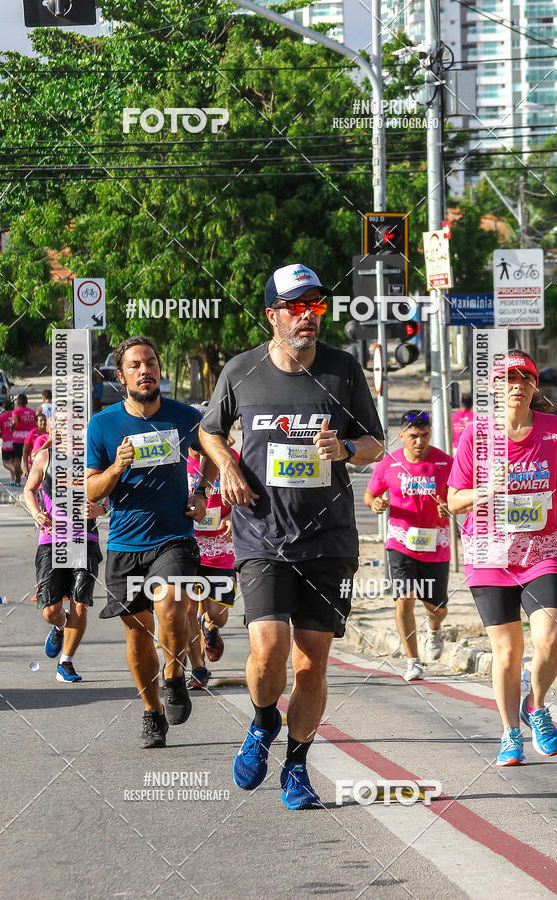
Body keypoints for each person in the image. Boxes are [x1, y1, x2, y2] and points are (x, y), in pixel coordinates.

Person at [199, 263, 385, 809]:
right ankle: (261, 723)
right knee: (269, 647)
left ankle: (297, 766)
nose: (308, 316)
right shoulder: (241, 370)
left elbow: (377, 441)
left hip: (328, 538)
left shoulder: (343, 370)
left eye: (316, 306)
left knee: (310, 662)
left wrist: (347, 451)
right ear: (272, 315)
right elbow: (210, 429)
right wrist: (227, 466)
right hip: (261, 534)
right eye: (296, 307)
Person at [448, 350, 557, 766]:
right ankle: (509, 733)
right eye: (508, 378)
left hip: (545, 550)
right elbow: (453, 500)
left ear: (534, 385)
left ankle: (536, 706)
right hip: (490, 554)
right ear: (494, 387)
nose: (516, 385)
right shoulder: (475, 434)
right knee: (507, 651)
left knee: (552, 637)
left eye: (524, 377)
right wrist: (485, 491)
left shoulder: (556, 430)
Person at [86, 336, 218, 749]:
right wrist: (117, 467)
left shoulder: (183, 416)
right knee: (138, 634)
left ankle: (174, 677)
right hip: (126, 544)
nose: (145, 370)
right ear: (122, 376)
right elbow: (92, 490)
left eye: (151, 362)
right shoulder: (103, 424)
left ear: (159, 369)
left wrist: (201, 492)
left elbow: (213, 451)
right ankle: (151, 712)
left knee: (174, 603)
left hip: (174, 536)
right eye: (135, 366)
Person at [363, 410, 453, 681]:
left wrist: (449, 507)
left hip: (436, 543)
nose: (419, 441)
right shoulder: (389, 463)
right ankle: (413, 661)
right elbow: (370, 493)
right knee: (404, 599)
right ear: (401, 436)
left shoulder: (446, 463)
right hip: (400, 541)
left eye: (424, 435)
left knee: (436, 607)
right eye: (413, 436)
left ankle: (435, 629)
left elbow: (461, 495)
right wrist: (375, 503)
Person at [23, 440, 105, 682]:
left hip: (85, 539)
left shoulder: (95, 457)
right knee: (51, 611)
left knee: (80, 602)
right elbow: (28, 490)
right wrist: (36, 512)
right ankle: (60, 626)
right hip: (52, 540)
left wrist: (101, 508)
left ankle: (65, 663)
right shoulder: (45, 457)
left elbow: (113, 492)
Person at [186, 441, 239, 690]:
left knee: (217, 615)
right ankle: (198, 669)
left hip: (220, 547)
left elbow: (249, 491)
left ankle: (210, 627)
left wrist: (233, 515)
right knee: (187, 612)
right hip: (187, 545)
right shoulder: (178, 461)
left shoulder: (232, 458)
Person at [11, 394, 36, 485]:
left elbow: (15, 421)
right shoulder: (32, 412)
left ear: (18, 402)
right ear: (27, 402)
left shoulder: (16, 412)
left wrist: (12, 427)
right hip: (30, 439)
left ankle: (18, 480)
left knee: (17, 460)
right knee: (31, 460)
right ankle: (31, 480)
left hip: (18, 440)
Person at [0, 399, 15, 484]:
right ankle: (12, 480)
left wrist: (0, 434)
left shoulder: (1, 418)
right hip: (16, 442)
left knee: (5, 463)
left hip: (6, 443)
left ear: (3, 408)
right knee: (12, 461)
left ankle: (17, 471)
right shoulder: (15, 415)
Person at [22, 412, 48, 477]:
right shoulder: (32, 433)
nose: (43, 422)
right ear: (36, 423)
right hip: (34, 463)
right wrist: (25, 467)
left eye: (45, 420)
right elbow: (25, 451)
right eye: (41, 420)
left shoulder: (50, 432)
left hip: (47, 463)